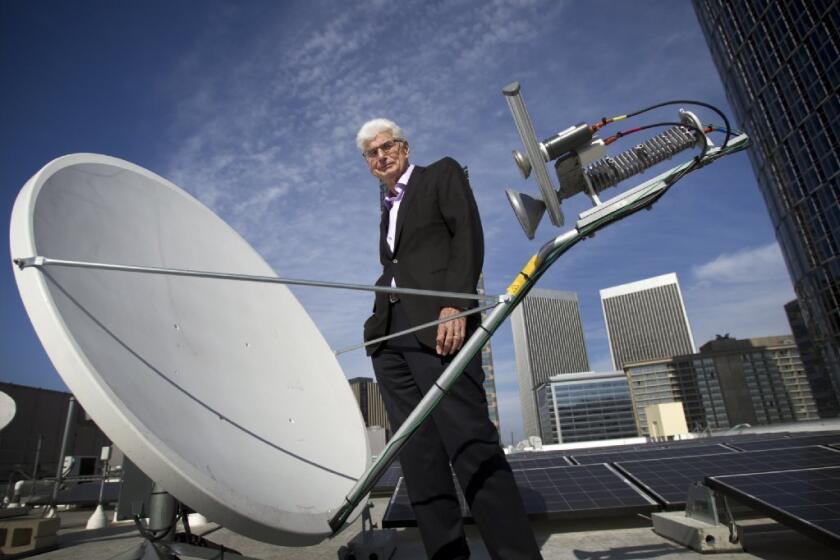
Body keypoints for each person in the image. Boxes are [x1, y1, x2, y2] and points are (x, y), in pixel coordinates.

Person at [357, 118, 542, 560]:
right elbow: (398, 263)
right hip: (391, 338)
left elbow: (468, 237)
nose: (380, 156)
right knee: (418, 457)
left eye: (386, 147)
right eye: (371, 153)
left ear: (403, 147)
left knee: (469, 441)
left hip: (440, 325)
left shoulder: (441, 173)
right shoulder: (385, 205)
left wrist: (455, 304)